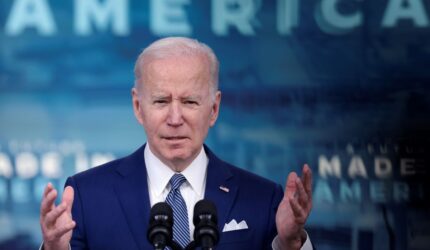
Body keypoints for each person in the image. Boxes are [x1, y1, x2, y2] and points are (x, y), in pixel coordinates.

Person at [40, 37, 313, 250]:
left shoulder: (263, 199)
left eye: (190, 102)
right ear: (138, 107)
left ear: (214, 109)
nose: (174, 118)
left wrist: (290, 244)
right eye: (161, 101)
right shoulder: (87, 196)